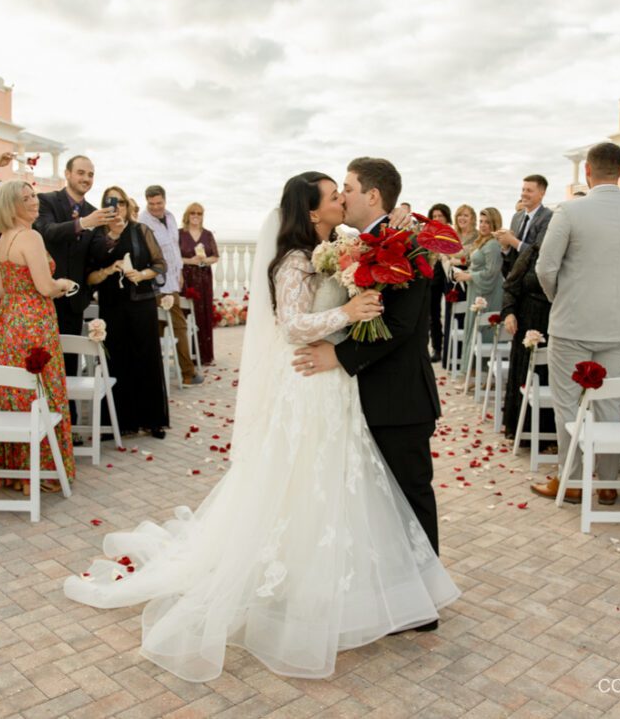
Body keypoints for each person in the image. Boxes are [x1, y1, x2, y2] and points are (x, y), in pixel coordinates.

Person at [64, 171, 459, 681]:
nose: (342, 199)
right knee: (306, 484)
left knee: (342, 487)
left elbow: (405, 290)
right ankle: (308, 584)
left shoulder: (346, 246)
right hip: (311, 383)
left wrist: (397, 237)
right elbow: (291, 323)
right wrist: (346, 311)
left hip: (337, 386)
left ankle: (363, 585)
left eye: (346, 192)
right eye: (333, 196)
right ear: (312, 211)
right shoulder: (295, 260)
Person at [293, 158, 446, 566]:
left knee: (410, 498)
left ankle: (423, 601)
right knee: (380, 503)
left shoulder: (407, 242)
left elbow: (401, 323)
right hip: (367, 397)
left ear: (373, 195)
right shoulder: (359, 243)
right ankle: (394, 592)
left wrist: (339, 356)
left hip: (399, 398)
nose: (342, 196)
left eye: (348, 187)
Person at [530, 143, 620, 506]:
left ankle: (571, 481)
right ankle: (607, 483)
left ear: (588, 170)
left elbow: (545, 268)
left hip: (573, 321)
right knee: (609, 403)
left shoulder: (569, 210)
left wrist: (562, 298)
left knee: (568, 403)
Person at [0, 180, 79, 494]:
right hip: (34, 322)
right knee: (42, 392)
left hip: (9, 322)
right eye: (25, 199)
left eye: (33, 197)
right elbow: (45, 287)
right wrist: (64, 284)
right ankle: (40, 474)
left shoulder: (4, 239)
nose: (33, 203)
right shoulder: (30, 236)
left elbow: (1, 290)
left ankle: (16, 473)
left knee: (15, 393)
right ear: (11, 205)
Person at [87, 186, 170, 439]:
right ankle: (116, 422)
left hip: (142, 303)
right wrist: (109, 270)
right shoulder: (97, 236)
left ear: (127, 205)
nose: (117, 207)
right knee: (116, 361)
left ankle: (152, 420)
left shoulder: (140, 230)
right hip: (112, 305)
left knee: (146, 359)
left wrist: (141, 274)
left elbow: (160, 264)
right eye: (111, 202)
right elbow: (89, 276)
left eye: (121, 202)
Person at [33, 155, 115, 371]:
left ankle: (70, 406)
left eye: (90, 174)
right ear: (67, 174)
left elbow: (96, 252)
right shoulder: (46, 200)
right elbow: (47, 232)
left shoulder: (93, 211)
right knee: (45, 364)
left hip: (75, 301)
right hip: (46, 297)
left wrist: (113, 236)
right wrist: (85, 223)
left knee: (69, 364)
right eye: (81, 173)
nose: (86, 178)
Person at [140, 185, 202, 385]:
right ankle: (188, 373)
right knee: (179, 326)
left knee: (162, 327)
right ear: (147, 202)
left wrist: (181, 272)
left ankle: (161, 374)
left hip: (174, 280)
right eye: (152, 204)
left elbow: (174, 248)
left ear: (164, 201)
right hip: (158, 284)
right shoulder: (143, 221)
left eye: (159, 203)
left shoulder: (171, 217)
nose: (156, 207)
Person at [499, 237, 554, 446]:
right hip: (528, 318)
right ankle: (522, 429)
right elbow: (510, 286)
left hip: (556, 321)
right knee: (525, 372)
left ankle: (549, 433)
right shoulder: (532, 252)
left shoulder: (571, 255)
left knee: (548, 375)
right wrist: (509, 313)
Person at [455, 207, 504, 388]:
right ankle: (474, 374)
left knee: (482, 332)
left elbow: (491, 273)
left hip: (487, 294)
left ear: (494, 224)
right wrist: (468, 273)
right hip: (476, 291)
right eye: (482, 221)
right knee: (473, 331)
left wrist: (469, 276)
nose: (483, 225)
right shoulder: (483, 242)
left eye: (487, 222)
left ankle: (484, 376)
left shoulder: (493, 245)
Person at [179, 202, 220, 365]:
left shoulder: (208, 234)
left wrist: (203, 261)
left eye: (199, 213)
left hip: (204, 279)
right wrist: (190, 261)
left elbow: (215, 257)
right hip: (185, 278)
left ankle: (205, 356)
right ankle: (186, 356)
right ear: (187, 215)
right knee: (186, 315)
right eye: (193, 213)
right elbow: (174, 257)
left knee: (204, 315)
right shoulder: (179, 234)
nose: (196, 216)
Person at [495, 175, 552, 275]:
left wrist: (512, 240)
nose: (523, 194)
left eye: (529, 190)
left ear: (542, 194)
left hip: (534, 282)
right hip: (514, 281)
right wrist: (505, 245)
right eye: (523, 190)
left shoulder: (548, 217)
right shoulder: (516, 217)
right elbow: (511, 257)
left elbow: (538, 255)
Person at [427, 203, 452, 363]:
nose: (437, 219)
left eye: (440, 216)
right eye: (434, 216)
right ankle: (437, 348)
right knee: (433, 316)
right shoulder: (428, 235)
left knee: (450, 314)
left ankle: (450, 350)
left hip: (450, 278)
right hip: (434, 278)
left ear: (446, 217)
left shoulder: (452, 233)